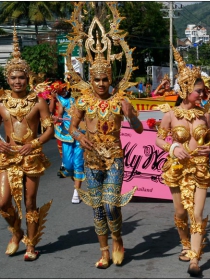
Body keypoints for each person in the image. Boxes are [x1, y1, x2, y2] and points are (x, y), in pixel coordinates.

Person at [66, 2, 143, 269]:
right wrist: (78, 137)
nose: (100, 84)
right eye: (96, 80)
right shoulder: (83, 101)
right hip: (91, 159)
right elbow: (71, 127)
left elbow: (139, 130)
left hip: (115, 159)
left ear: (111, 79)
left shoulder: (120, 100)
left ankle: (118, 240)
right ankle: (104, 250)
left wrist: (132, 115)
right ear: (91, 79)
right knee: (97, 207)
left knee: (111, 204)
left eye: (105, 80)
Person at [155, 46, 210, 276]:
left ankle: (194, 259)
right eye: (198, 91)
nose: (202, 95)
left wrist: (209, 147)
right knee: (181, 211)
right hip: (177, 169)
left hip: (200, 169)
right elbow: (158, 140)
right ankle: (185, 244)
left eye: (202, 91)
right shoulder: (170, 115)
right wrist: (173, 148)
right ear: (184, 89)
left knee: (196, 213)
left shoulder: (206, 114)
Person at [0, 28, 53, 261]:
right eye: (13, 77)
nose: (18, 81)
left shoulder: (39, 102)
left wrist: (35, 143)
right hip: (8, 156)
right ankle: (16, 232)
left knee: (30, 201)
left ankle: (31, 245)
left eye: (21, 77)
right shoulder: (1, 102)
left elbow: (50, 128)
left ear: (27, 78)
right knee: (2, 202)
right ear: (7, 79)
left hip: (31, 157)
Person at [53, 81, 86, 203]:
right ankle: (76, 177)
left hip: (80, 134)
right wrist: (57, 118)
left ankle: (77, 192)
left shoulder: (84, 99)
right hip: (67, 134)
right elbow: (60, 113)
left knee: (78, 162)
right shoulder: (63, 99)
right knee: (67, 165)